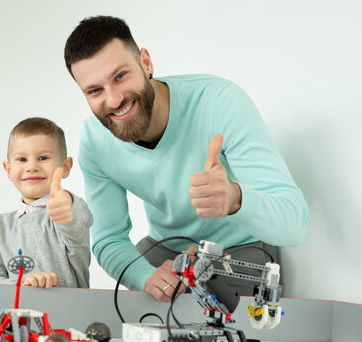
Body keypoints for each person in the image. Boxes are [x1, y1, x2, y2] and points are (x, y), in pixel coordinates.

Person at [63, 16, 308, 301]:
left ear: (146, 63)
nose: (114, 100)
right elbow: (108, 239)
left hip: (239, 250)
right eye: (95, 90)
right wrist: (145, 277)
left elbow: (295, 226)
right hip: (165, 254)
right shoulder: (94, 139)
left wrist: (235, 199)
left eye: (120, 76)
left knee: (233, 334)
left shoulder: (221, 102)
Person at [0, 117, 93, 288]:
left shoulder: (69, 211)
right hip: (19, 312)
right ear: (8, 170)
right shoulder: (0, 225)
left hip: (69, 311)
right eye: (22, 159)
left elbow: (74, 219)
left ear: (66, 167)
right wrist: (25, 284)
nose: (31, 167)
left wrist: (65, 201)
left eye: (43, 158)